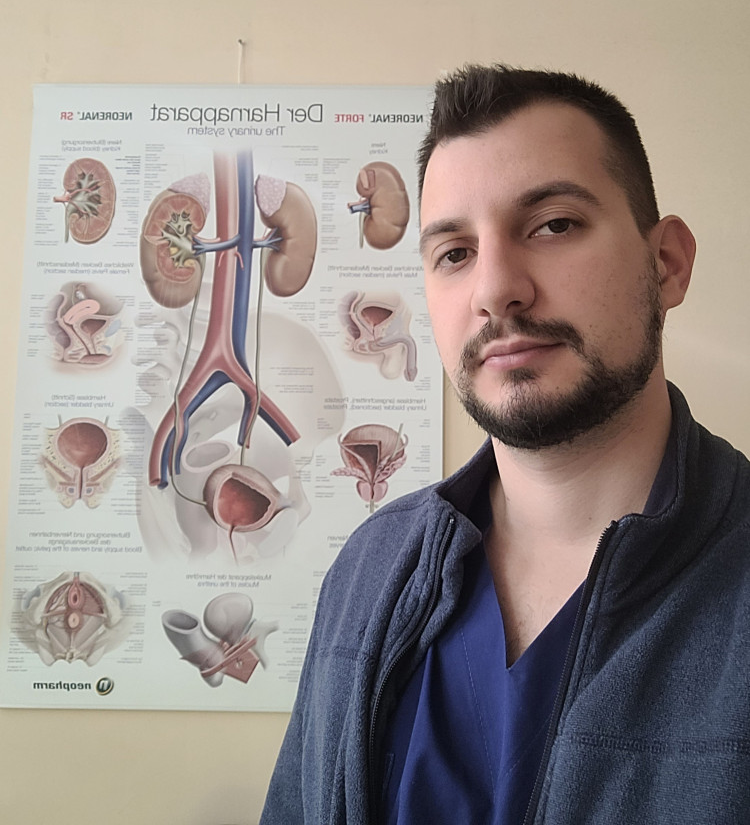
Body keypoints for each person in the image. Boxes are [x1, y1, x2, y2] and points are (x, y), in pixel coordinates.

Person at [260, 65, 750, 824]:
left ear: (667, 264)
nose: (495, 289)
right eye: (454, 253)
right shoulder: (368, 571)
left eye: (553, 225)